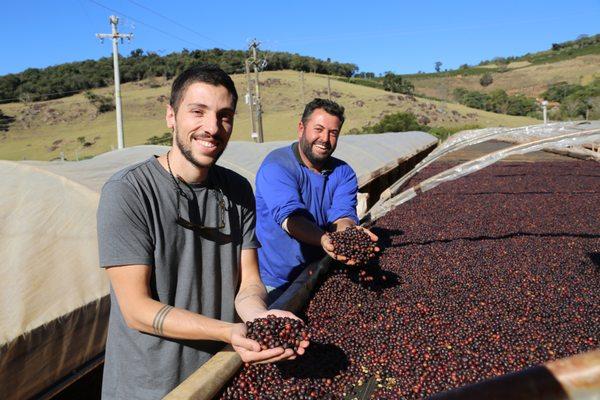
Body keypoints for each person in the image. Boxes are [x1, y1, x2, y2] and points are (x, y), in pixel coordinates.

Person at [97, 65, 307, 400]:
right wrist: (230, 331)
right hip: (149, 387)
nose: (212, 128)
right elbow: (135, 309)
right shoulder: (129, 191)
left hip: (217, 373)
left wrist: (259, 316)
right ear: (171, 116)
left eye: (224, 115)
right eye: (198, 111)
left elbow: (249, 281)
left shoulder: (237, 190)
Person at [255, 98, 378, 299]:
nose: (325, 139)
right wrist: (324, 239)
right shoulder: (277, 166)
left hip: (318, 269)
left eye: (333, 133)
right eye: (318, 129)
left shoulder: (343, 173)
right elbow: (290, 218)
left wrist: (348, 234)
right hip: (275, 280)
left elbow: (342, 215)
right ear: (301, 128)